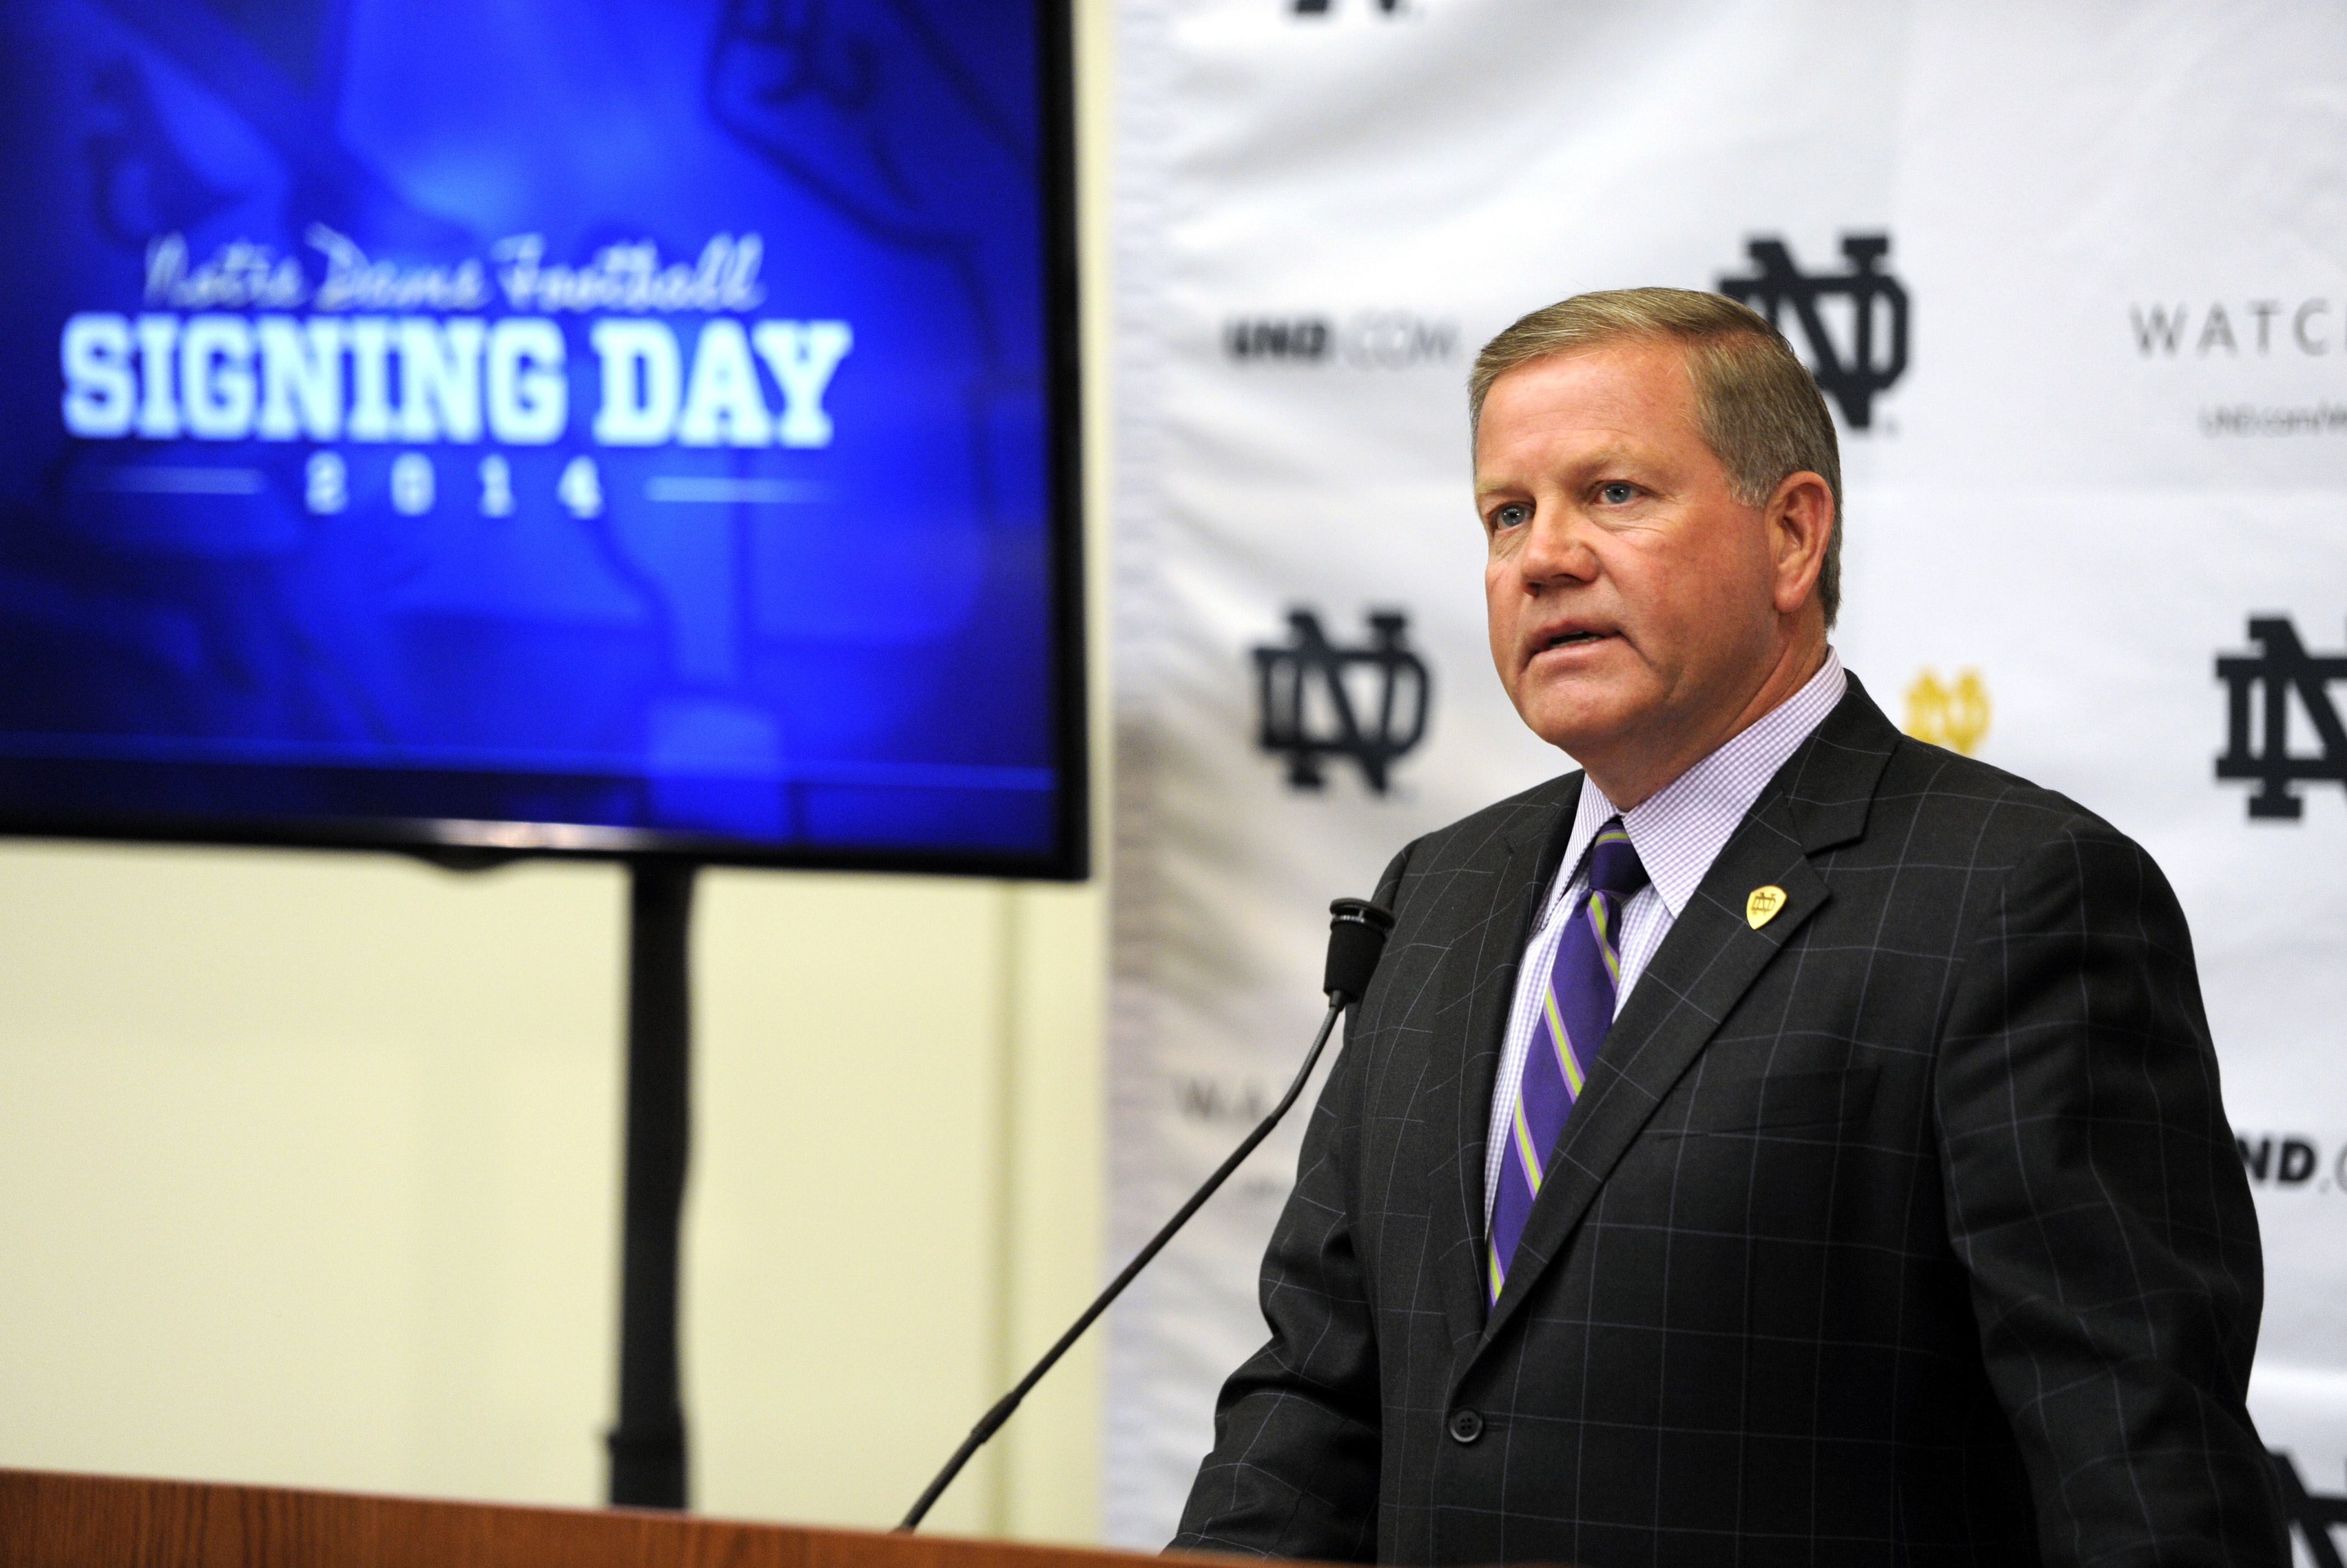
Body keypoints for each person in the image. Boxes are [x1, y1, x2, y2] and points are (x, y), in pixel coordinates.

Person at [1169, 289, 2284, 1566]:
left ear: (1791, 535)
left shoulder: (2012, 897)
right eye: (1505, 514)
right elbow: (1317, 1385)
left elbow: (2133, 1471)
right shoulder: (1442, 891)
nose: (1542, 556)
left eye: (1614, 495)